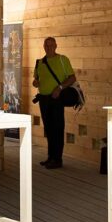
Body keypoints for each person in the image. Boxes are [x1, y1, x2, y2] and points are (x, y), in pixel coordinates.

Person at [32, 37, 76, 169]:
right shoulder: (40, 62)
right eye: (46, 45)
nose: (49, 47)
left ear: (56, 46)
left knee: (57, 128)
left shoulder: (62, 59)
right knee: (49, 129)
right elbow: (36, 80)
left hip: (57, 98)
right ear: (43, 46)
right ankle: (50, 157)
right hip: (44, 99)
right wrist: (35, 83)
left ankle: (57, 159)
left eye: (51, 45)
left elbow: (72, 78)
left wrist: (59, 88)